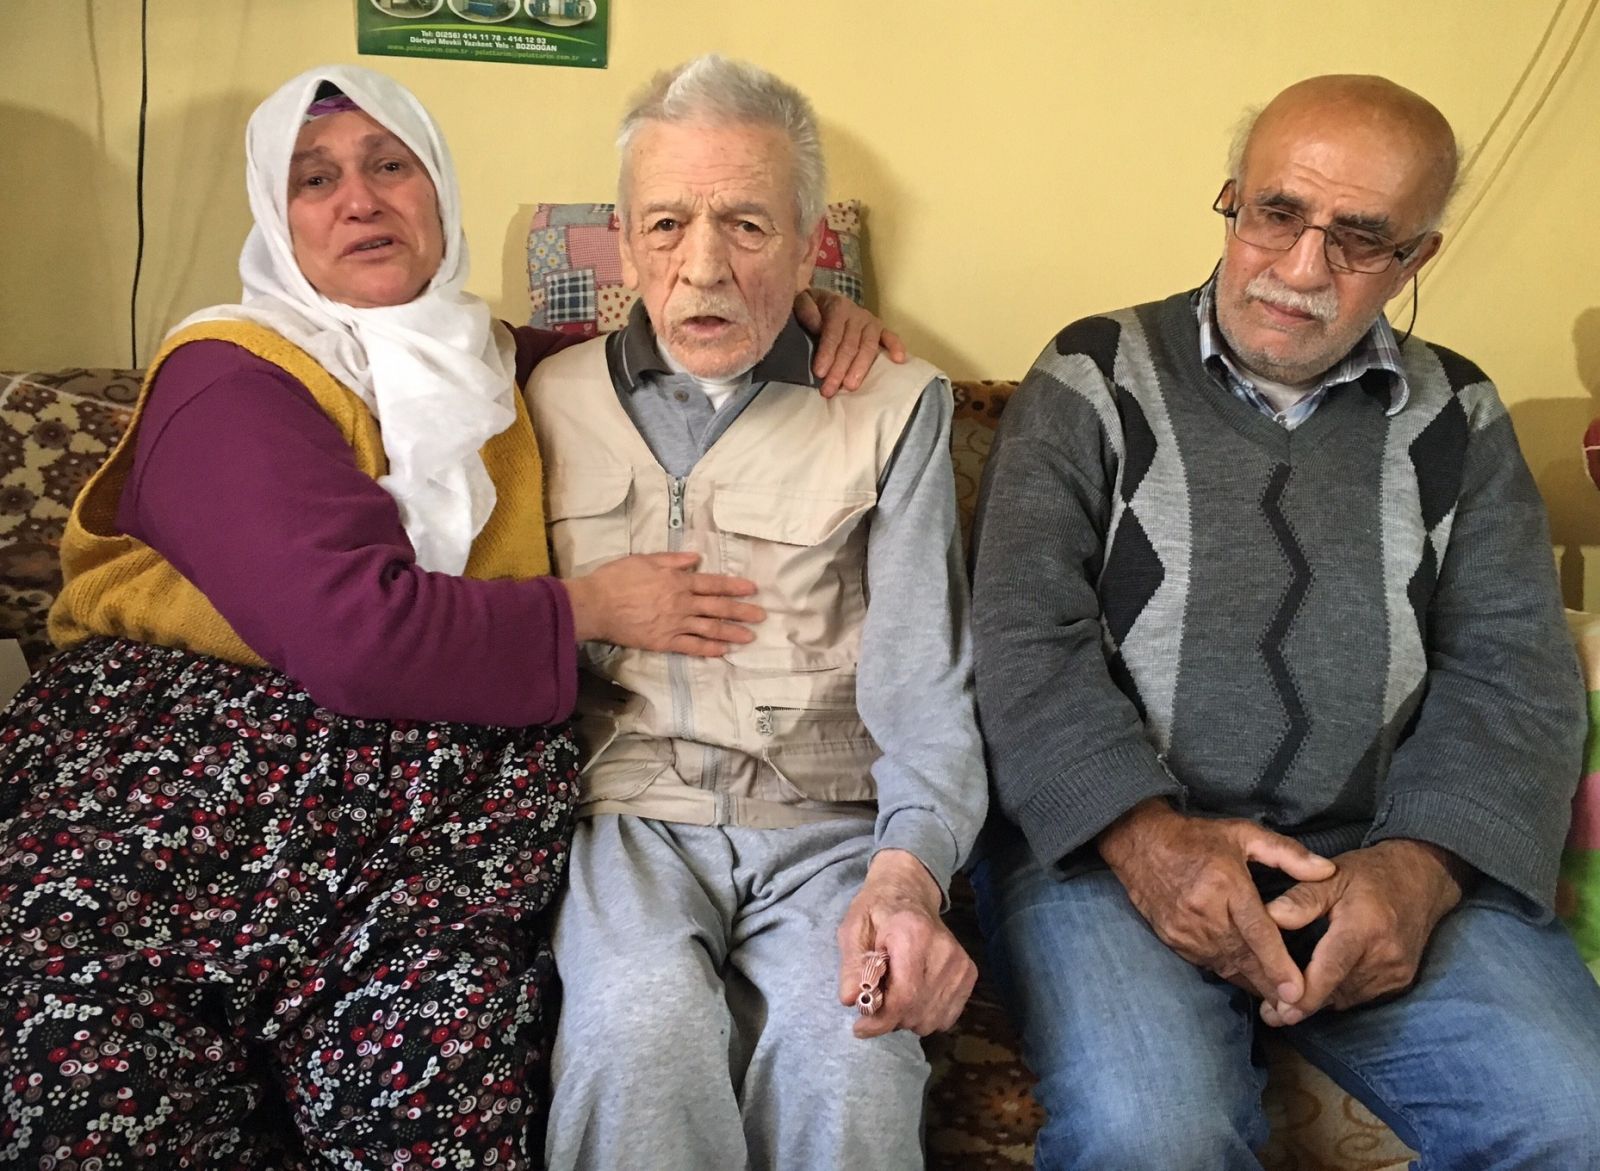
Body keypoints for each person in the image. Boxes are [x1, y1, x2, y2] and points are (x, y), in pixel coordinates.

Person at [0, 63, 901, 1170]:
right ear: (274, 214)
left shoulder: (497, 363)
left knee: (439, 1107)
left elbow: (685, 335)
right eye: (314, 178)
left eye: (391, 165)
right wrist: (588, 607)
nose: (359, 200)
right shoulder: (226, 379)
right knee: (97, 1102)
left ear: (439, 191)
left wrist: (802, 311)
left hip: (427, 831)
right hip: (184, 807)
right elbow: (354, 636)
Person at [970, 74, 1600, 1169]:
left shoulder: (1458, 412)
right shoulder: (1093, 374)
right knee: (1147, 1135)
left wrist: (1420, 869)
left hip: (1377, 852)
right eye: (1277, 213)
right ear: (1231, 199)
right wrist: (1146, 838)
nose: (1302, 269)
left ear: (1416, 257)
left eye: (1360, 239)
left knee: (1578, 1117)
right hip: (1114, 856)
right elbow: (1023, 638)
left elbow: (1511, 672)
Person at [528, 55, 987, 1171]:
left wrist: (909, 872)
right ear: (623, 242)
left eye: (746, 224)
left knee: (854, 1052)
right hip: (627, 820)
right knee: (635, 1036)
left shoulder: (895, 404)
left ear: (808, 242)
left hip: (831, 828)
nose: (703, 268)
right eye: (666, 224)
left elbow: (927, 685)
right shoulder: (541, 398)